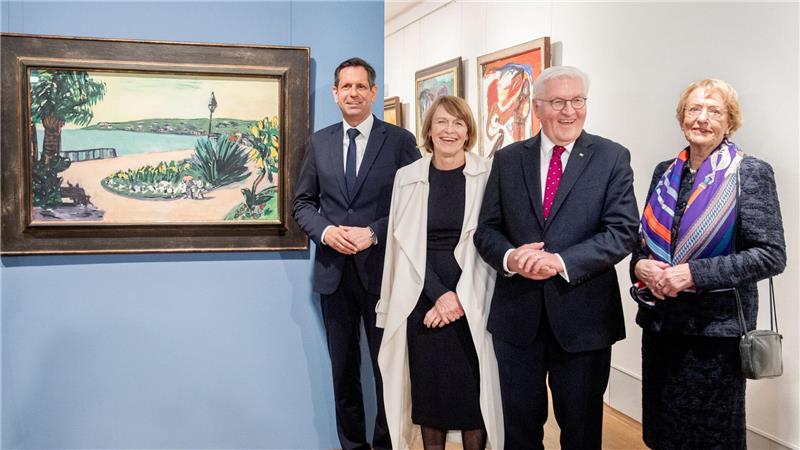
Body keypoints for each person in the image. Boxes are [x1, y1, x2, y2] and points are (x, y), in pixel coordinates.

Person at [473, 65, 640, 449]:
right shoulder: (508, 159)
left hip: (584, 321)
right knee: (519, 429)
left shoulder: (612, 157)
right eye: (559, 102)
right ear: (536, 108)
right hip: (518, 319)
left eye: (578, 101)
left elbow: (622, 232)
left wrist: (560, 262)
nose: (570, 111)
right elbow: (487, 230)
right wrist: (512, 257)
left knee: (581, 431)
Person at [630, 79, 786, 449]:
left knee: (710, 437)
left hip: (715, 334)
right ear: (682, 117)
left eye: (714, 111)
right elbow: (644, 243)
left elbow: (770, 254)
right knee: (663, 431)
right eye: (693, 109)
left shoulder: (749, 173)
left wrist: (693, 274)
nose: (701, 118)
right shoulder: (665, 171)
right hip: (661, 324)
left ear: (729, 123)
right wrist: (639, 266)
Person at [292, 57, 420, 450]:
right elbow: (302, 205)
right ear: (335, 93)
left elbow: (415, 204)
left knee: (386, 370)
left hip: (383, 274)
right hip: (334, 276)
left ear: (373, 92)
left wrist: (374, 233)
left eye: (361, 86)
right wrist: (327, 233)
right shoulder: (319, 142)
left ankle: (385, 445)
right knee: (343, 372)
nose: (353, 93)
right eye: (345, 87)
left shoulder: (399, 141)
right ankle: (352, 446)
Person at [376, 96, 504, 450]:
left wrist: (459, 297)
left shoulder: (488, 174)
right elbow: (403, 244)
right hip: (422, 299)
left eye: (458, 123)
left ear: (469, 131)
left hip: (474, 297)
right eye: (441, 123)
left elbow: (491, 238)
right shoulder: (408, 177)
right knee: (429, 395)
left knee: (473, 397)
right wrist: (440, 295)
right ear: (429, 130)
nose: (450, 130)